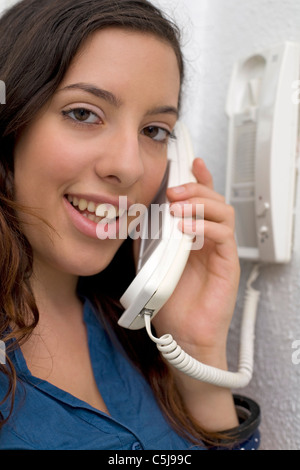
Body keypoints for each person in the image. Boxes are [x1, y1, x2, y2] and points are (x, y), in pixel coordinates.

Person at [0, 0, 260, 450]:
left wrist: (198, 356)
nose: (131, 166)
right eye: (83, 114)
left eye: (155, 131)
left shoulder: (135, 330)